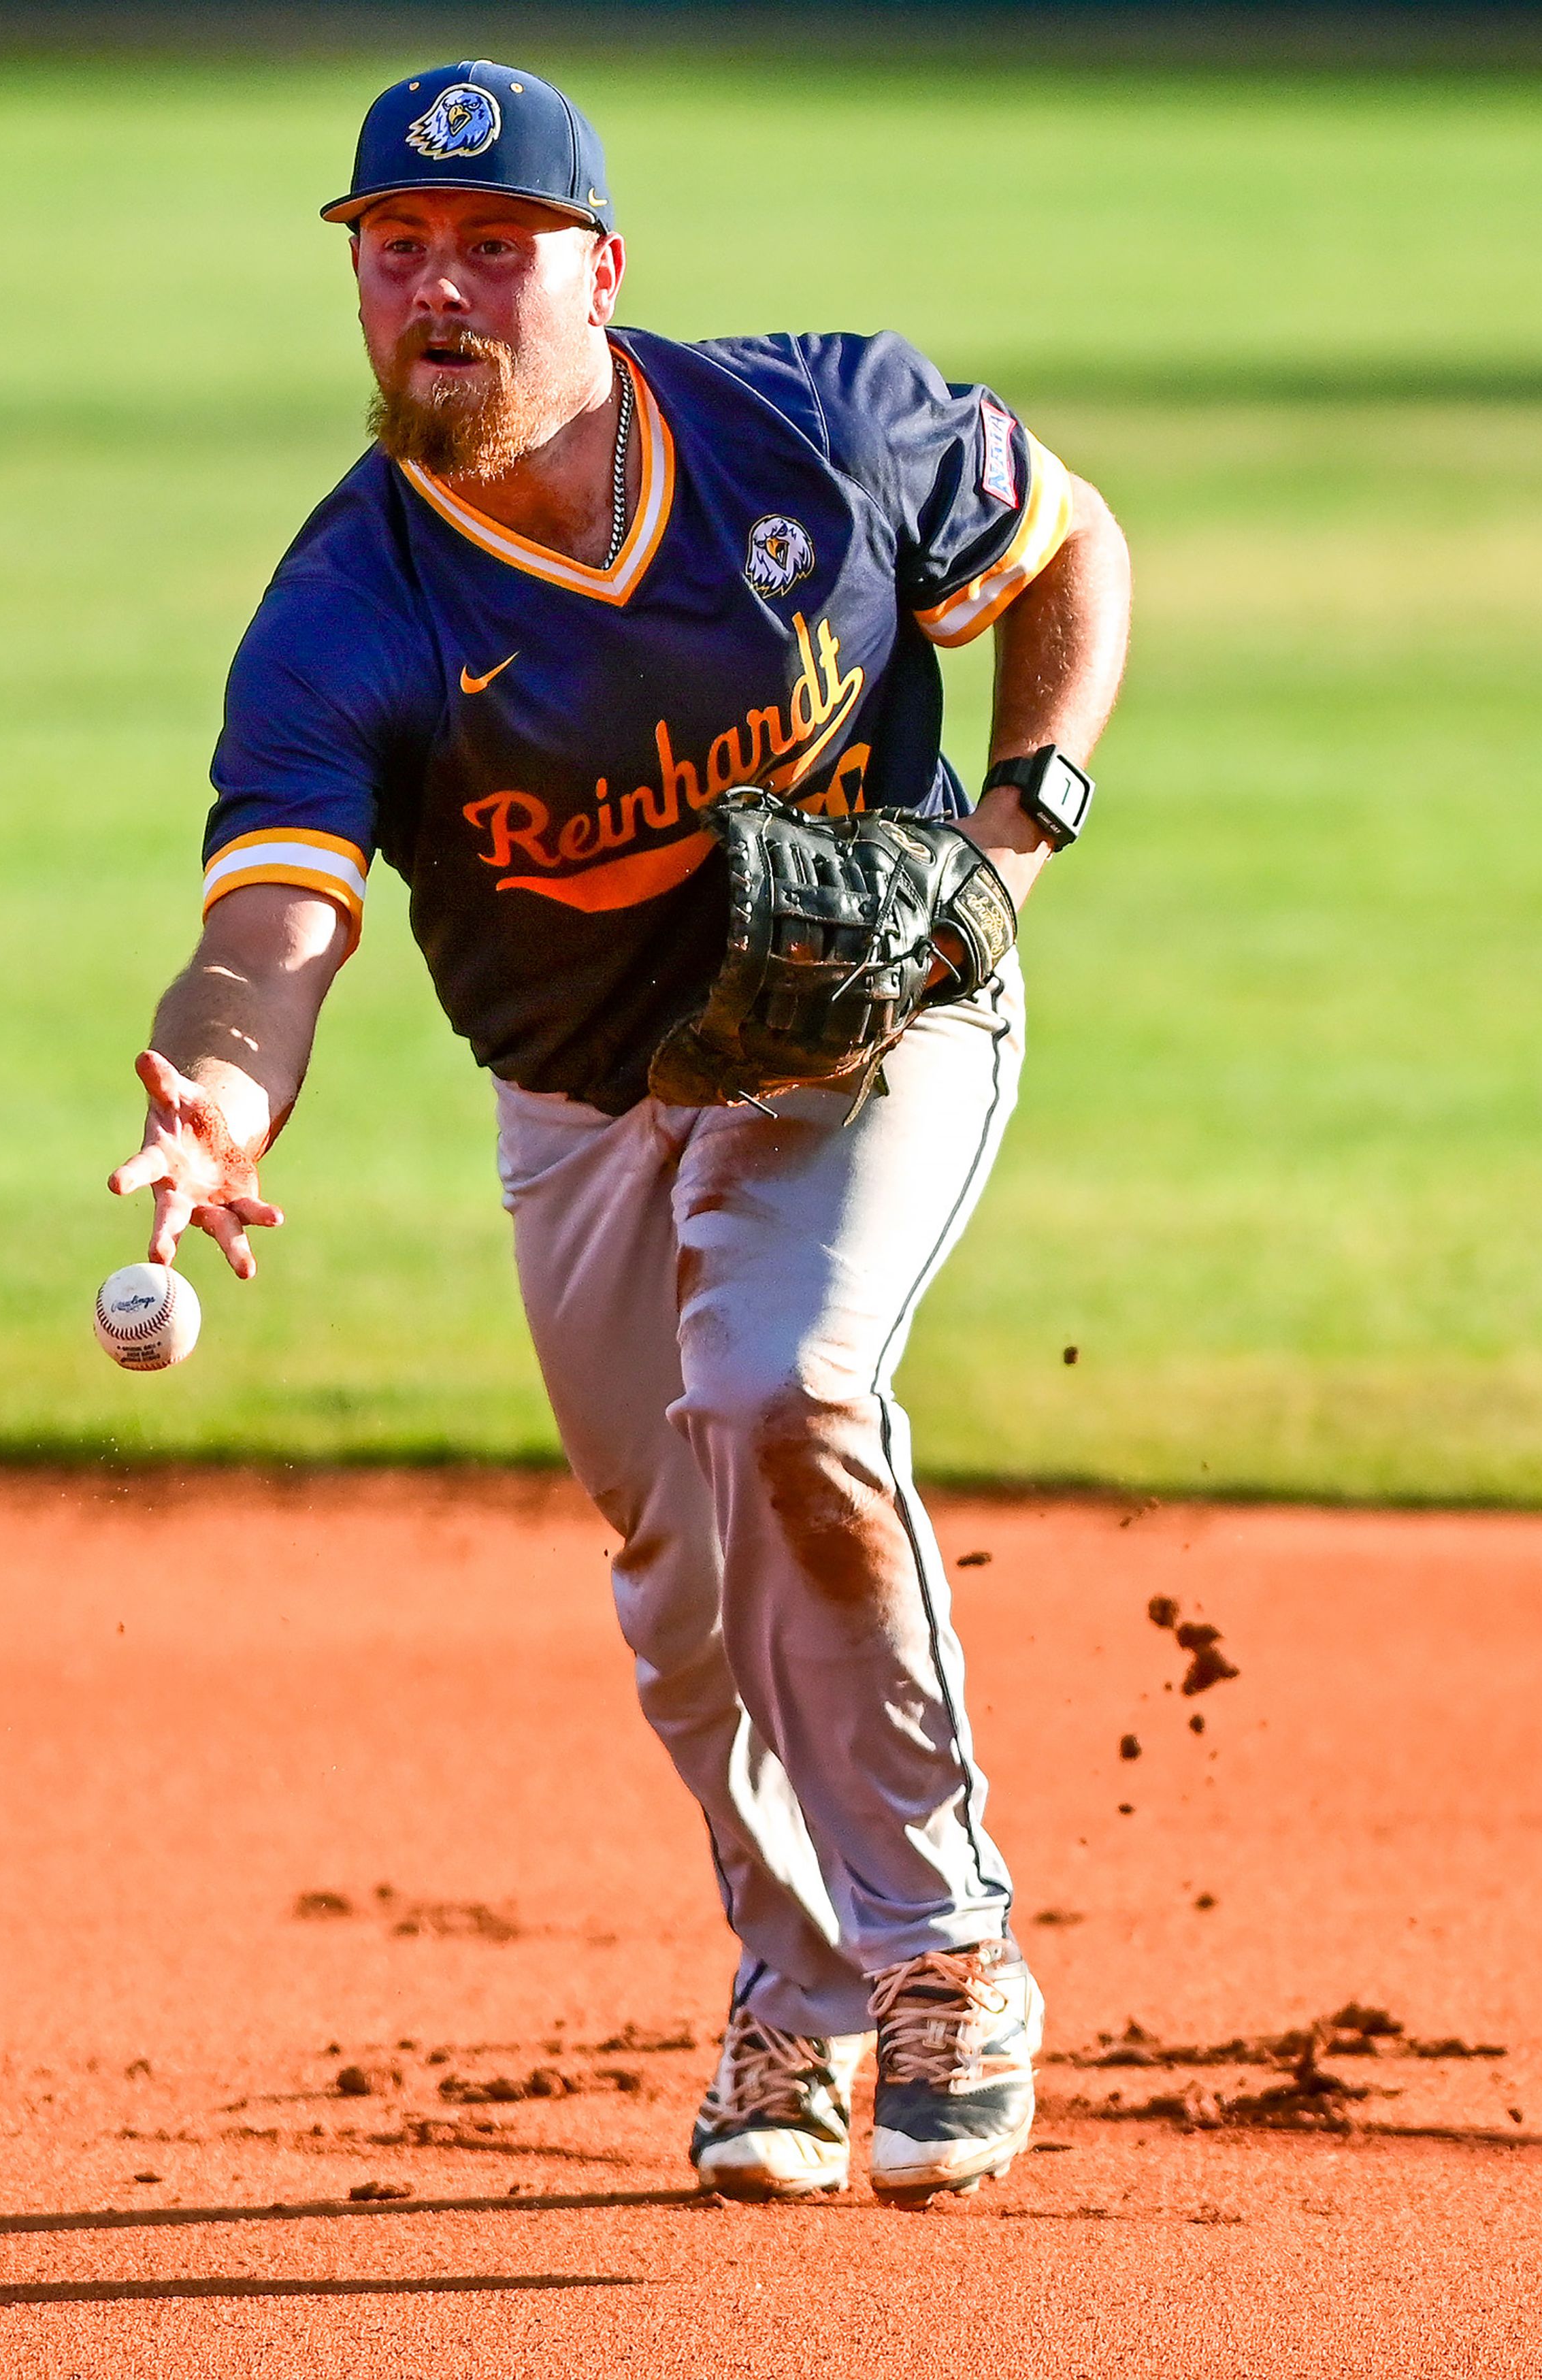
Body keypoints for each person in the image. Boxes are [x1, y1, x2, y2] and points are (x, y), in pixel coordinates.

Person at [105, 60, 1130, 2206]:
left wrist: (1014, 840)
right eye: (397, 252)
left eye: (493, 247)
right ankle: (799, 1978)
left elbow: (1071, 549)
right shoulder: (350, 605)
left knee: (782, 1386)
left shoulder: (810, 430)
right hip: (582, 1095)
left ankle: (949, 1952)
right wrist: (216, 1084)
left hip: (873, 1017)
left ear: (600, 269)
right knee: (681, 1589)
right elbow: (280, 922)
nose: (441, 291)